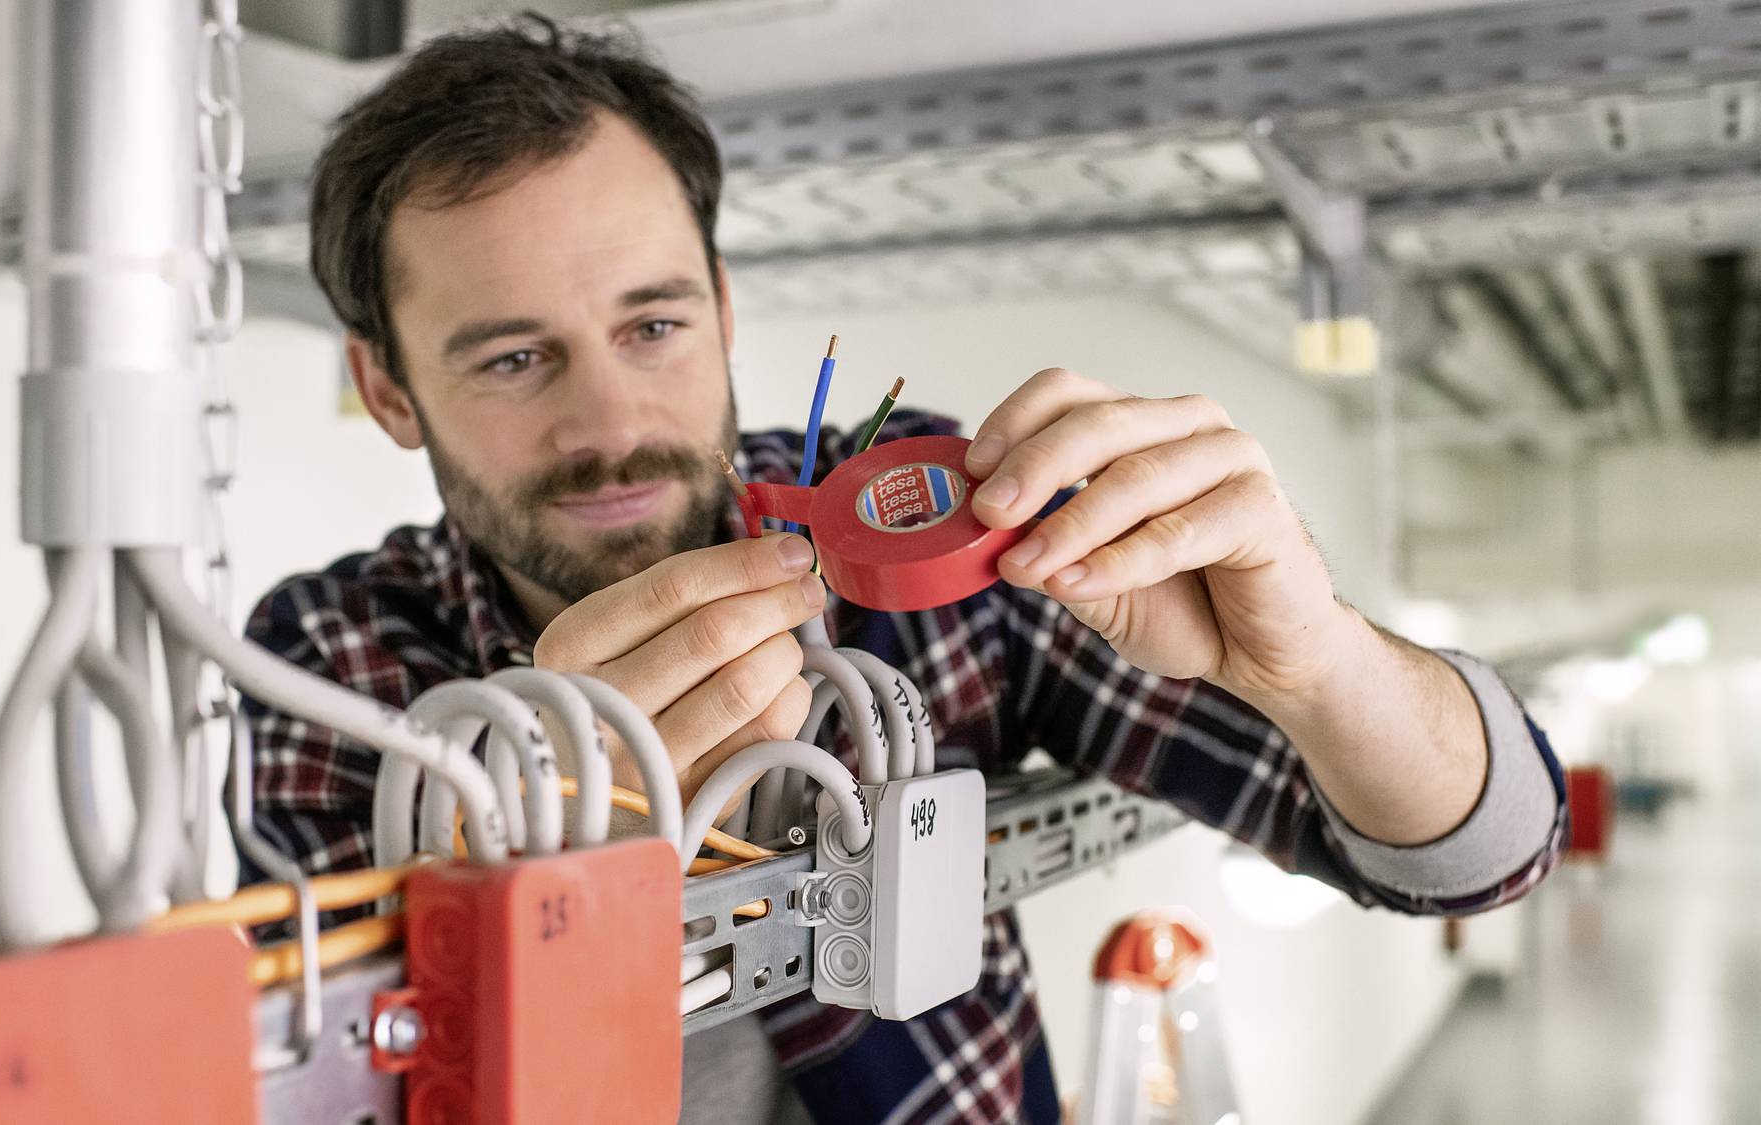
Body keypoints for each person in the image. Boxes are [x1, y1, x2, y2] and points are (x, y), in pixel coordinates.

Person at [241, 16, 1566, 1125]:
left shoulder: (925, 528)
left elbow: (1477, 859)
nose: (612, 424)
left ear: (722, 305)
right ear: (388, 387)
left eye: (654, 323)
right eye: (513, 357)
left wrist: (1316, 658)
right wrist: (559, 891)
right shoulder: (330, 669)